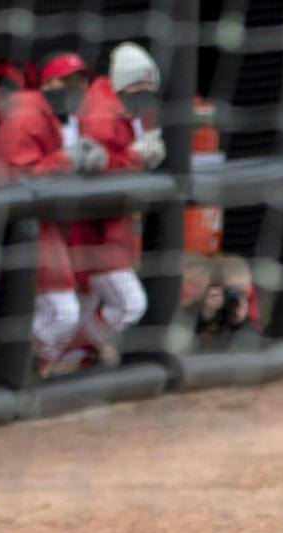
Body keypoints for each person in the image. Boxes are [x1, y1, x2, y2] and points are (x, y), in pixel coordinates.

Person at [0, 54, 92, 374]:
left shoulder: (47, 114)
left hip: (36, 226)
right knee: (58, 311)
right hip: (11, 226)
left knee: (33, 310)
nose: (75, 90)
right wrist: (67, 160)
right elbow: (20, 176)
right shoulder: (27, 114)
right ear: (48, 83)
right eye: (67, 82)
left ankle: (12, 370)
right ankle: (13, 369)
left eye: (80, 84)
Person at [68, 42, 164, 367]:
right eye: (140, 86)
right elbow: (99, 170)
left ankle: (71, 358)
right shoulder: (102, 115)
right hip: (93, 231)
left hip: (104, 227)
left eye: (148, 88)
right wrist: (138, 157)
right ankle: (61, 354)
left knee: (86, 304)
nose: (144, 94)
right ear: (124, 82)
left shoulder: (117, 102)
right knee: (130, 304)